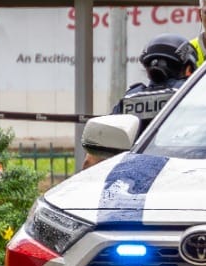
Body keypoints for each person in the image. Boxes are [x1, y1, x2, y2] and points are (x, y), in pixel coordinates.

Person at [82, 34, 198, 168]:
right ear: (189, 69)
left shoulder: (129, 100)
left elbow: (90, 162)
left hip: (132, 181)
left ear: (148, 71)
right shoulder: (193, 97)